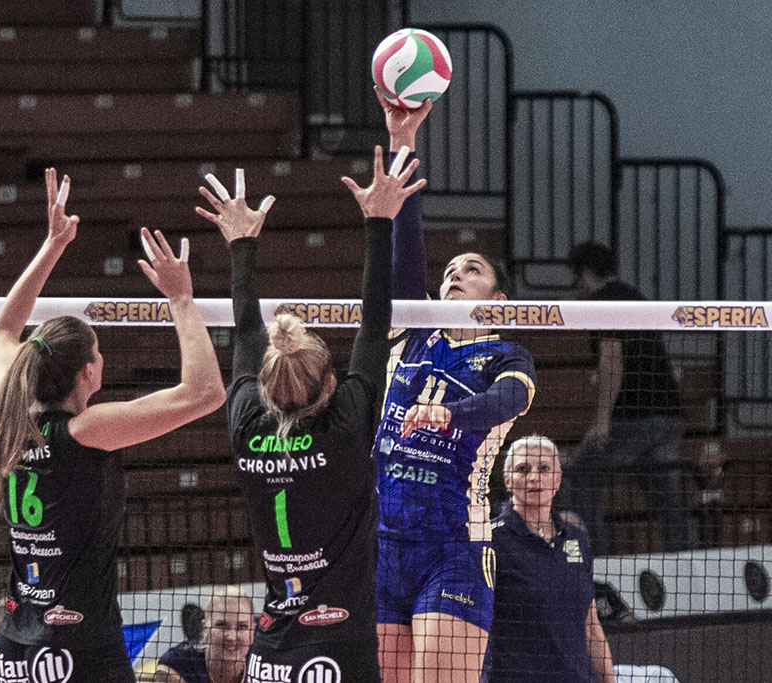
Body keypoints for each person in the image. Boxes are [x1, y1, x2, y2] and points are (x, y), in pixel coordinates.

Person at [0, 168, 226, 683]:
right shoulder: (88, 430)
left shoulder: (13, 417)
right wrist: (181, 299)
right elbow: (205, 392)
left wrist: (52, 245)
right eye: (98, 352)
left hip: (15, 644)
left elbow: (3, 330)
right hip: (79, 647)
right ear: (88, 373)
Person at [195, 150, 425, 680]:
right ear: (330, 385)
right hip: (342, 651)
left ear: (267, 386)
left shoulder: (246, 423)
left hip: (271, 653)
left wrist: (240, 243)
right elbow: (376, 323)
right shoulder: (345, 426)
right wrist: (379, 221)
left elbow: (247, 333)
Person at [371, 91, 537, 683]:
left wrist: (451, 415)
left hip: (455, 546)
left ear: (499, 299)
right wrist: (402, 142)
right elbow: (405, 255)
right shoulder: (412, 335)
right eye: (449, 271)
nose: (454, 275)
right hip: (383, 542)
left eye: (472, 269)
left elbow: (510, 400)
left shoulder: (507, 354)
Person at [564, 242, 690, 554]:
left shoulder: (602, 301)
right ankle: (687, 560)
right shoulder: (634, 296)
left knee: (581, 473)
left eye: (576, 276)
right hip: (668, 414)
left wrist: (602, 421)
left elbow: (611, 358)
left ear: (585, 272)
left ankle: (594, 560)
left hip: (635, 417)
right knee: (668, 497)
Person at [483, 435, 615, 683]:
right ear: (507, 480)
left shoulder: (576, 537)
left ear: (557, 480)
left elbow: (591, 625)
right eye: (523, 469)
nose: (534, 477)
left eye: (544, 468)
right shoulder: (490, 539)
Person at [148, 587, 256, 683]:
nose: (231, 637)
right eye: (221, 625)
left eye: (242, 627)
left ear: (252, 632)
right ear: (205, 629)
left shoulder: (263, 661)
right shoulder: (176, 665)